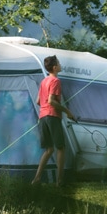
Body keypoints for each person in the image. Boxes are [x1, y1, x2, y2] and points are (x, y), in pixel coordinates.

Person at [32, 55, 76, 186]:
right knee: (61, 148)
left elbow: (38, 101)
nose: (60, 64)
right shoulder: (55, 81)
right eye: (59, 63)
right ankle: (60, 181)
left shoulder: (44, 81)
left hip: (43, 116)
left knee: (49, 150)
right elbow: (51, 101)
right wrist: (67, 112)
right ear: (55, 67)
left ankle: (37, 179)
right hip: (52, 116)